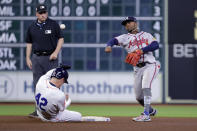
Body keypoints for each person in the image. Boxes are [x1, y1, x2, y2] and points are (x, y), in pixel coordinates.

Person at [105, 16, 160, 122]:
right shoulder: (125, 37)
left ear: (135, 23)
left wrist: (141, 50)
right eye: (125, 24)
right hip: (137, 69)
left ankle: (146, 115)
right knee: (139, 97)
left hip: (150, 65)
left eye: (129, 22)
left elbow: (155, 45)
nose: (127, 25)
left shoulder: (146, 35)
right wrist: (108, 45)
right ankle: (151, 110)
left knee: (146, 86)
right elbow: (113, 40)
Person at [35, 64, 110, 122]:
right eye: (64, 81)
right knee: (78, 116)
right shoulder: (59, 95)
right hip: (51, 118)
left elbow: (48, 74)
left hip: (41, 114)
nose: (63, 83)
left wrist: (59, 68)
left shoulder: (41, 81)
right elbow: (61, 110)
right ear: (62, 79)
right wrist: (68, 100)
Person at [26, 4, 64, 118]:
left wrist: (56, 53)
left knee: (54, 84)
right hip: (37, 58)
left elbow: (61, 39)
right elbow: (29, 43)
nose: (43, 15)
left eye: (45, 12)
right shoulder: (32, 26)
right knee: (38, 85)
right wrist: (27, 57)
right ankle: (38, 111)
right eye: (41, 13)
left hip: (50, 58)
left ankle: (56, 112)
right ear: (36, 13)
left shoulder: (53, 24)